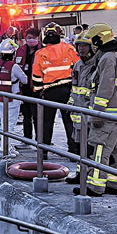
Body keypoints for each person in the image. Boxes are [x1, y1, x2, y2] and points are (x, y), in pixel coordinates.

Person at [75, 23, 117, 197]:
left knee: (100, 149)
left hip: (106, 114)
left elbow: (105, 87)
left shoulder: (107, 58)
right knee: (115, 150)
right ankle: (114, 183)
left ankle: (95, 186)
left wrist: (97, 112)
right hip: (115, 114)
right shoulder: (113, 56)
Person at [32, 22, 78, 152]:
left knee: (46, 123)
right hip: (67, 90)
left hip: (49, 92)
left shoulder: (40, 53)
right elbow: (78, 67)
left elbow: (36, 76)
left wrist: (38, 91)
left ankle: (44, 151)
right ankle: (73, 149)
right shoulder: (69, 48)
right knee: (69, 121)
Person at [66, 31, 98, 184]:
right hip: (78, 114)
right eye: (79, 46)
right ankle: (80, 174)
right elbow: (75, 88)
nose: (82, 49)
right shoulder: (78, 65)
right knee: (79, 147)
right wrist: (70, 104)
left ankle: (89, 176)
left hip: (90, 114)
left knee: (90, 148)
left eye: (85, 46)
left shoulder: (97, 65)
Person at [0, 39, 28, 157]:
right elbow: (25, 80)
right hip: (12, 99)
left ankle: (5, 147)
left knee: (4, 124)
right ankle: (5, 149)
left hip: (0, 98)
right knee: (11, 125)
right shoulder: (14, 66)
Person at [15, 28, 42, 144]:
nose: (31, 40)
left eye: (33, 38)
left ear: (38, 38)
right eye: (29, 38)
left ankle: (39, 139)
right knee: (26, 115)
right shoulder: (21, 50)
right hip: (24, 87)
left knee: (37, 116)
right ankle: (27, 138)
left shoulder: (42, 51)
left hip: (37, 87)